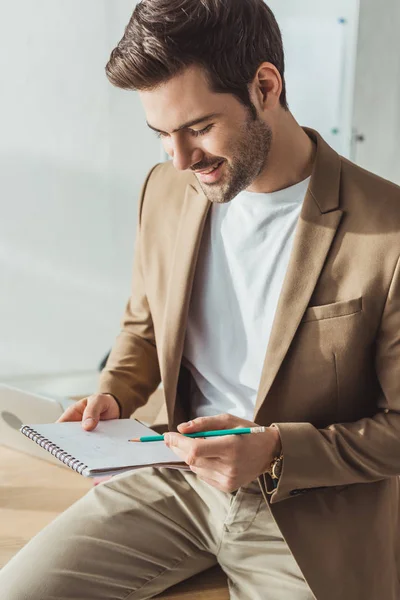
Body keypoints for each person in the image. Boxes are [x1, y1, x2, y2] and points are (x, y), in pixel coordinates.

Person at [2, 1, 400, 598]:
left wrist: (273, 451)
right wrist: (114, 394)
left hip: (309, 514)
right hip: (175, 478)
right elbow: (143, 325)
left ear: (265, 86)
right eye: (161, 134)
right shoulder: (165, 190)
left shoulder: (388, 231)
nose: (181, 158)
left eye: (199, 128)